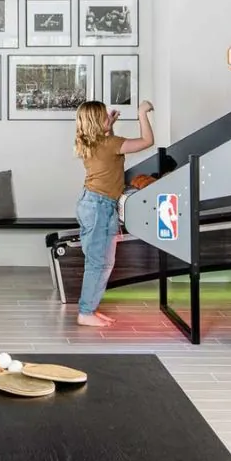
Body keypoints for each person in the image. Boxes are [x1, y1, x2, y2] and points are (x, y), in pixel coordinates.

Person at [73, 99, 155, 327]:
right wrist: (142, 113)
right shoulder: (110, 143)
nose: (108, 119)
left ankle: (90, 307)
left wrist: (110, 124)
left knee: (105, 262)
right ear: (97, 123)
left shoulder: (89, 142)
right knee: (98, 263)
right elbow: (147, 141)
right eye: (104, 117)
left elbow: (107, 147)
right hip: (98, 206)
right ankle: (85, 312)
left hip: (98, 204)